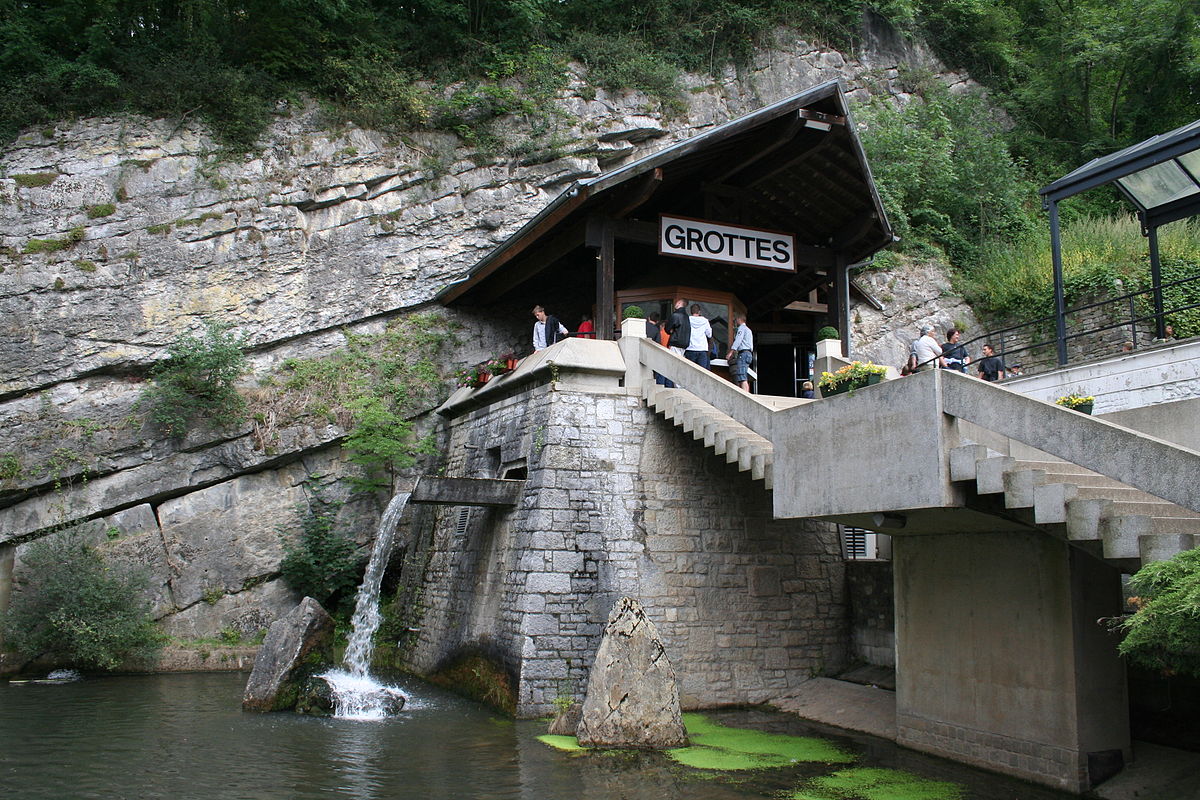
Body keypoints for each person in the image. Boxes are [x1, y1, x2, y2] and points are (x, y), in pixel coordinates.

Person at [727, 314, 754, 391]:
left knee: (742, 377)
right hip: (748, 354)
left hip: (743, 354)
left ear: (739, 319)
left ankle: (745, 396)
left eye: (736, 319)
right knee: (744, 375)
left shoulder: (742, 328)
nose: (735, 321)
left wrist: (731, 352)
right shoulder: (749, 330)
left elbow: (738, 340)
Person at [646, 312, 673, 387]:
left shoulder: (643, 326)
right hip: (663, 353)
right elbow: (658, 343)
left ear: (648, 318)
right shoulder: (657, 330)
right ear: (657, 321)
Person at [684, 304, 712, 368]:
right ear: (699, 312)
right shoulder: (705, 321)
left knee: (690, 370)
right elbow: (709, 334)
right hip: (702, 349)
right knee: (702, 372)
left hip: (690, 348)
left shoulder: (687, 320)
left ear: (691, 312)